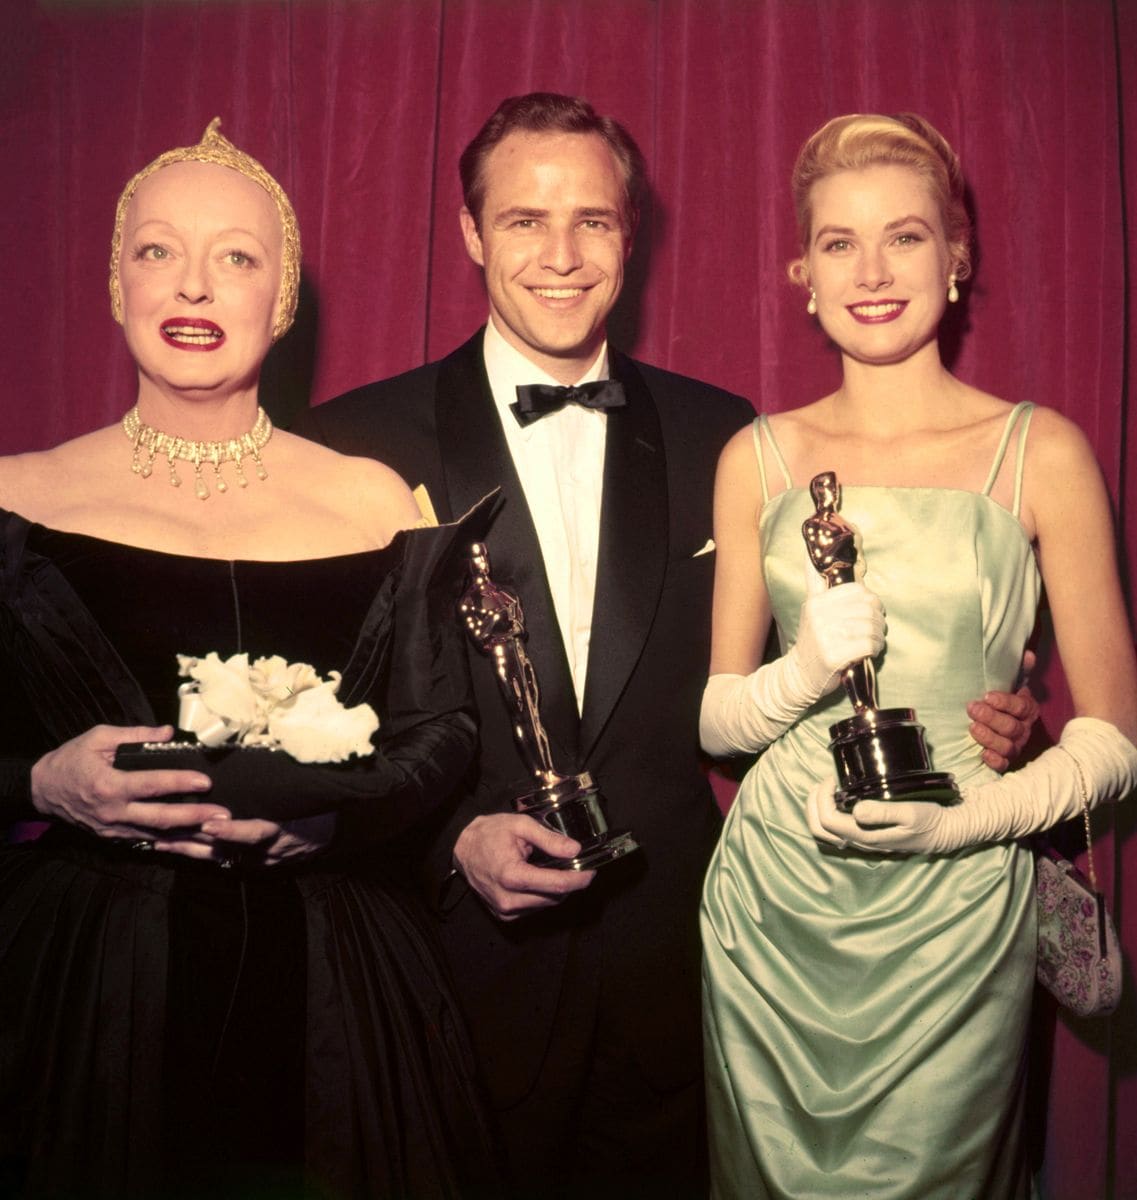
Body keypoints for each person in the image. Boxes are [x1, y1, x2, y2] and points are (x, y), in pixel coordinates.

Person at [293, 94, 1037, 1198]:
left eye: (592, 220)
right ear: (467, 233)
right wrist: (450, 842)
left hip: (687, 974)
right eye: (523, 221)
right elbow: (316, 731)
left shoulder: (723, 434)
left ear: (630, 237)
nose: (561, 254)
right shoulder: (351, 445)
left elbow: (812, 679)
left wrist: (982, 706)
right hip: (451, 981)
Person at [0, 120, 497, 1198]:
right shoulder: (16, 496)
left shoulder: (372, 499)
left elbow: (442, 731)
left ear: (279, 300)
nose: (193, 284)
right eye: (157, 250)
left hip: (334, 976)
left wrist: (335, 812)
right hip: (91, 980)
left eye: (236, 256)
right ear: (115, 284)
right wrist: (42, 782)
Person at [698, 112, 1137, 1199]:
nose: (873, 271)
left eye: (905, 236)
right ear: (802, 272)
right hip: (774, 906)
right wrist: (797, 675)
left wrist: (966, 822)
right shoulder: (756, 456)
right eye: (839, 243)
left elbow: (1118, 739)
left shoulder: (1041, 450)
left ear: (959, 256)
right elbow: (713, 717)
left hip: (957, 899)